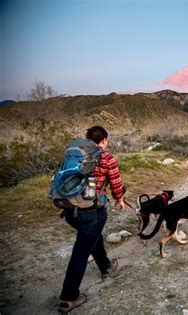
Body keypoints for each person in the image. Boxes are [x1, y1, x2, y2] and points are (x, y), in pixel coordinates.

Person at [58, 126, 125, 313]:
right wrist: (119, 198)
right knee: (81, 253)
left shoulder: (75, 155)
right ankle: (68, 297)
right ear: (103, 140)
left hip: (70, 210)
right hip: (92, 211)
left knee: (92, 237)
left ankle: (106, 267)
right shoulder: (106, 157)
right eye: (107, 140)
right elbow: (116, 183)